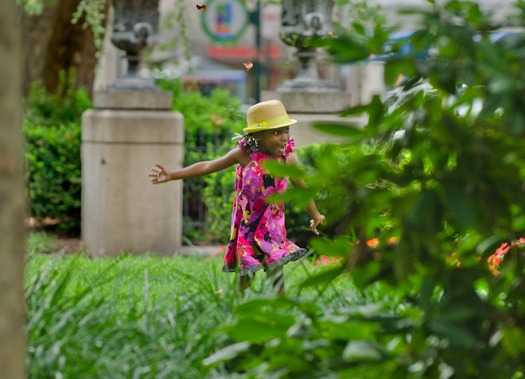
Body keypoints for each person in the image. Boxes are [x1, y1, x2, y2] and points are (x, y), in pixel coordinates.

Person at [149, 99, 325, 293]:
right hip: (247, 226)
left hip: (272, 226)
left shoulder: (287, 160)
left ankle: (281, 310)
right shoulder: (243, 155)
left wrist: (315, 215)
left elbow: (302, 188)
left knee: (276, 273)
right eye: (276, 132)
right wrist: (173, 174)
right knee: (246, 275)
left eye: (286, 131)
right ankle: (240, 308)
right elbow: (208, 166)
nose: (284, 137)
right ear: (258, 135)